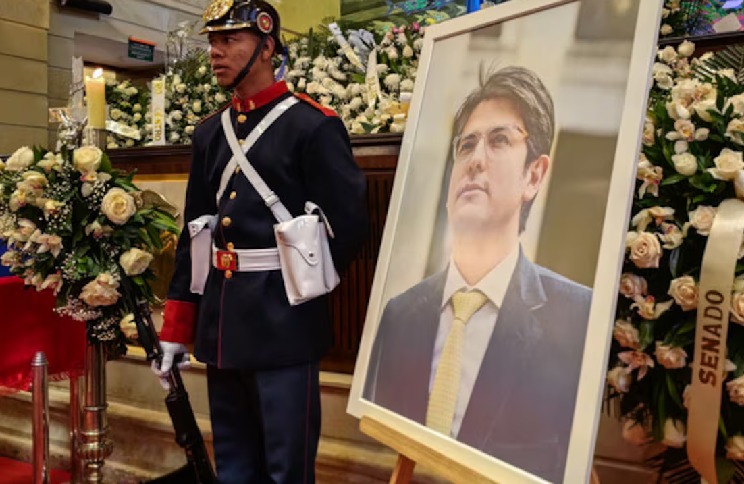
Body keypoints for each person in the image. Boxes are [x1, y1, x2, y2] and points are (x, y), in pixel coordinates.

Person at [153, 1, 369, 482]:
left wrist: (303, 284)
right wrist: (177, 326)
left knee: (285, 469)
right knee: (233, 465)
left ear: (267, 47)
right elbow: (196, 231)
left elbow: (349, 223)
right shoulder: (210, 132)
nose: (215, 52)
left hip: (284, 324)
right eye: (213, 41)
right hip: (223, 324)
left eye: (230, 40)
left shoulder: (312, 125)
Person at [363, 66, 590, 483]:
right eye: (466, 145)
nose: (475, 160)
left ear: (534, 175)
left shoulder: (578, 316)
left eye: (499, 140)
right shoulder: (399, 313)